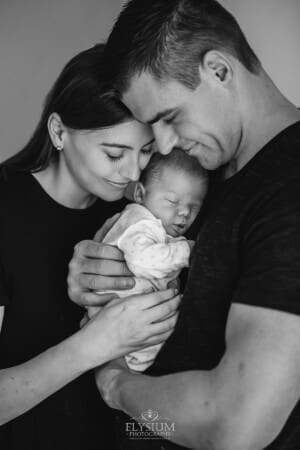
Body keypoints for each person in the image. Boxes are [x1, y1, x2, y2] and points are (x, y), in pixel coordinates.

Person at [67, 1, 300, 449]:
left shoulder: (291, 188)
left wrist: (114, 386)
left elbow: (234, 428)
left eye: (169, 118)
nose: (165, 145)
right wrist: (93, 272)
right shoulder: (203, 170)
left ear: (219, 71)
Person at [0, 43, 181, 450]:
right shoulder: (6, 209)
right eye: (115, 153)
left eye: (146, 150)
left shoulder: (138, 213)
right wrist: (94, 344)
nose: (133, 172)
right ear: (59, 132)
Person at [91, 148, 207, 371]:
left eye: (194, 207)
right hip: (122, 328)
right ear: (141, 195)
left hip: (132, 329)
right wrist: (187, 251)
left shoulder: (160, 227)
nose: (184, 213)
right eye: (173, 202)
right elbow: (142, 261)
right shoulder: (139, 222)